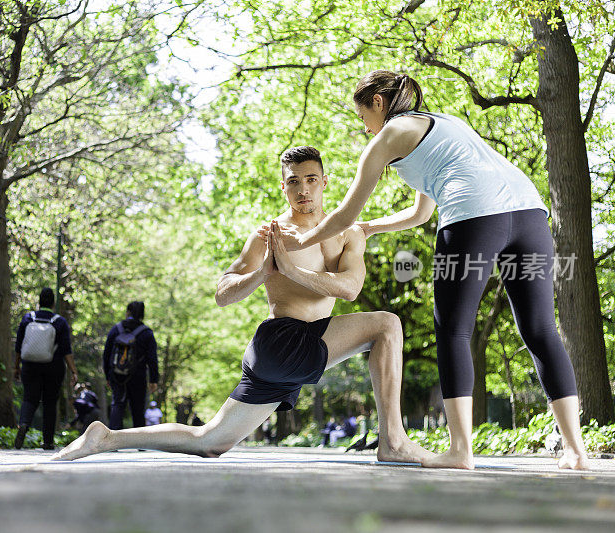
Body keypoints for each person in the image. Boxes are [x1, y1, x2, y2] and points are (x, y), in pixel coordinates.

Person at [261, 70, 589, 470]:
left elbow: (346, 210)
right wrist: (373, 227)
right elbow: (421, 212)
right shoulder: (444, 125)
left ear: (378, 104)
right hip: (530, 213)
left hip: (474, 216)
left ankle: (460, 451)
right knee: (540, 330)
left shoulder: (388, 136)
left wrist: (300, 242)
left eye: (362, 115)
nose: (364, 127)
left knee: (453, 330)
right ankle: (575, 449)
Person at [52, 146, 434, 463]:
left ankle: (105, 438)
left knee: (210, 441)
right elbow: (223, 292)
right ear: (283, 187)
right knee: (386, 324)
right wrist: (265, 273)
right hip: (282, 341)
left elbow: (364, 272)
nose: (304, 190)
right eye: (294, 182)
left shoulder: (351, 231)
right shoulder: (271, 234)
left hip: (297, 348)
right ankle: (393, 441)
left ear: (325, 182)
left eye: (311, 180)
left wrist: (425, 158)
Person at [14, 287, 78, 450]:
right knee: (50, 402)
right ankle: (48, 441)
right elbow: (66, 350)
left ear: (39, 301)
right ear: (53, 303)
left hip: (30, 365)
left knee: (29, 398)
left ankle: (23, 425)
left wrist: (16, 367)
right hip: (53, 366)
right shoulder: (59, 322)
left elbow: (19, 346)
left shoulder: (28, 318)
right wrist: (73, 370)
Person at [103, 301, 159, 430]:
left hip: (117, 375)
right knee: (138, 408)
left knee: (118, 404)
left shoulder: (116, 329)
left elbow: (106, 354)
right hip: (138, 375)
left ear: (128, 312)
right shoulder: (147, 333)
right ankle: (140, 443)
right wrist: (153, 380)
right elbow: (152, 359)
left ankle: (113, 440)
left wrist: (108, 375)